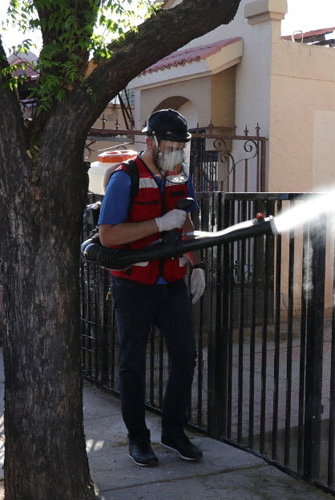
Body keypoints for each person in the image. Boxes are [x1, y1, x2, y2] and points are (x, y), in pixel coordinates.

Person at [98, 108, 206, 467]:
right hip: (133, 285)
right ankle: (138, 439)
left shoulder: (180, 177)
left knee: (186, 355)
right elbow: (109, 235)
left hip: (172, 282)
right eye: (171, 145)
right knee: (132, 364)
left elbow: (187, 221)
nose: (176, 152)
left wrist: (197, 264)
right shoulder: (125, 178)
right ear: (151, 142)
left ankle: (173, 432)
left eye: (181, 145)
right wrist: (159, 223)